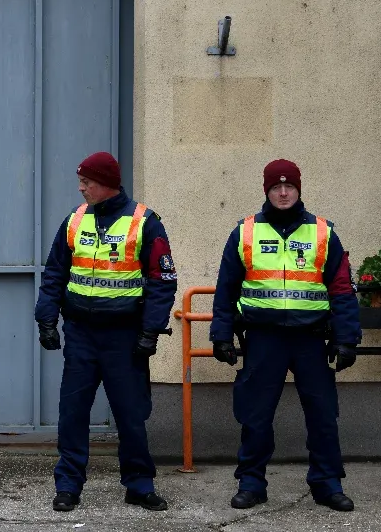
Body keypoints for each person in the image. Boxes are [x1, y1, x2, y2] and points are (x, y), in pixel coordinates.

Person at [209, 158, 360, 512]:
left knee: (323, 413)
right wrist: (221, 335)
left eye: (289, 186)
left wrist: (347, 338)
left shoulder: (322, 233)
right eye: (276, 187)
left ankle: (326, 484)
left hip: (310, 338)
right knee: (255, 414)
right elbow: (226, 289)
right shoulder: (245, 232)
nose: (282, 192)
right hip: (263, 339)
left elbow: (341, 289)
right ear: (266, 190)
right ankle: (251, 483)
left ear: (298, 189)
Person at [34, 151, 177, 512]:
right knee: (73, 413)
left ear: (108, 184)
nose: (81, 188)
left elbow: (163, 281)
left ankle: (139, 484)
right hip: (81, 333)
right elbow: (55, 274)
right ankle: (68, 485)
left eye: (87, 182)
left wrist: (150, 331)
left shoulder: (145, 222)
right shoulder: (75, 219)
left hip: (124, 337)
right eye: (81, 181)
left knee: (130, 415)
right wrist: (46, 319)